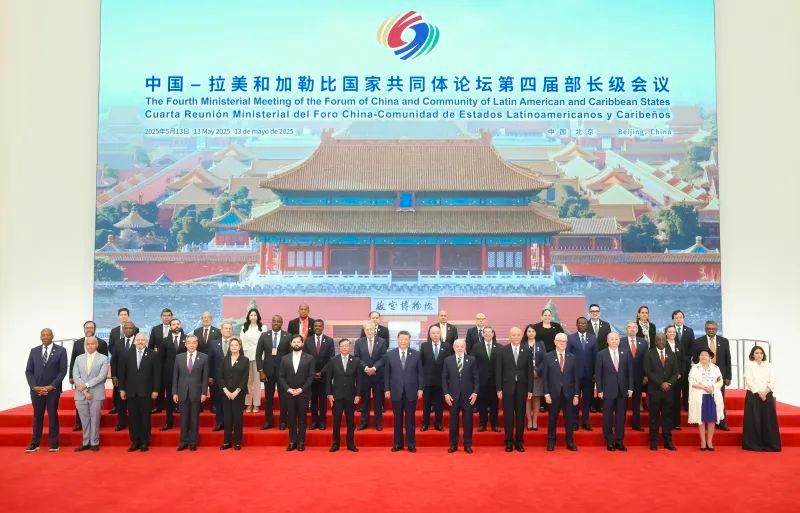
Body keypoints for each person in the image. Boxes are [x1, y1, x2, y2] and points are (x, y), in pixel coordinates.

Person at [24, 328, 68, 452]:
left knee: (52, 415)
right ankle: (35, 443)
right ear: (40, 337)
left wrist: (51, 386)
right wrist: (34, 386)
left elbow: (63, 371)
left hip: (52, 390)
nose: (45, 337)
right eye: (43, 335)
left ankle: (54, 443)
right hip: (36, 390)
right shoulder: (34, 351)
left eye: (48, 334)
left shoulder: (61, 350)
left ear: (52, 336)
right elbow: (28, 371)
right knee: (37, 416)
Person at [118, 333, 161, 452]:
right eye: (138, 340)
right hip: (131, 392)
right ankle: (134, 441)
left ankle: (144, 442)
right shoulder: (127, 354)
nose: (140, 342)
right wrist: (122, 389)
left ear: (146, 341)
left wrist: (156, 390)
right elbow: (122, 374)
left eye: (143, 340)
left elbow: (157, 374)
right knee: (133, 418)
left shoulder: (153, 354)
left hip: (146, 392)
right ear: (134, 341)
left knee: (145, 418)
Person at [384, 331, 423, 452]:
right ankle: (397, 443)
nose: (403, 341)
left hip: (411, 391)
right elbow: (387, 374)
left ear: (409, 340)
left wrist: (420, 388)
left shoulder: (416, 354)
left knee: (410, 419)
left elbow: (420, 373)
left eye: (406, 339)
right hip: (395, 391)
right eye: (401, 339)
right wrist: (387, 389)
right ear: (397, 339)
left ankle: (411, 444)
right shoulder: (390, 355)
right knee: (397, 419)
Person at [496, 327, 534, 452]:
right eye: (514, 335)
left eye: (518, 335)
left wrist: (530, 389)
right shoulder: (503, 350)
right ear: (509, 336)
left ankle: (519, 442)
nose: (516, 337)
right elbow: (498, 371)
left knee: (520, 416)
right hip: (507, 388)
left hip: (522, 388)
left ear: (521, 336)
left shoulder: (527, 350)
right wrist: (499, 389)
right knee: (508, 416)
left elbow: (530, 371)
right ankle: (508, 442)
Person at [594, 332, 633, 451]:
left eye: (616, 339)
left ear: (619, 341)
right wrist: (599, 390)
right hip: (607, 390)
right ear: (607, 341)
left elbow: (630, 372)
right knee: (607, 417)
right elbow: (598, 374)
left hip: (622, 391)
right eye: (612, 339)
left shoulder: (626, 353)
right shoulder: (601, 354)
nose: (614, 341)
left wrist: (630, 388)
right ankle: (609, 440)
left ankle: (619, 441)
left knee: (621, 417)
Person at [691, 320, 732, 430]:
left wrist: (729, 376)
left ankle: (721, 422)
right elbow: (695, 359)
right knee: (704, 400)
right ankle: (704, 422)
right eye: (709, 328)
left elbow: (728, 359)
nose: (711, 330)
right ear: (705, 329)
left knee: (719, 399)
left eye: (713, 329)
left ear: (717, 329)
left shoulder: (724, 341)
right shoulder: (698, 341)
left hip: (719, 376)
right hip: (703, 376)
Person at [542, 333, 579, 452]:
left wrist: (576, 395)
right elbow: (545, 377)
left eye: (564, 341)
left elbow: (576, 378)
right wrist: (546, 394)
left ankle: (570, 442)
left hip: (569, 394)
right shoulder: (547, 357)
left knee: (569, 420)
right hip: (553, 394)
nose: (562, 343)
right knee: (552, 419)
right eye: (560, 341)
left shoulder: (572, 357)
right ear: (555, 342)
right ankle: (551, 441)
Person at [69, 321, 108, 431]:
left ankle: (93, 429)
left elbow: (104, 360)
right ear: (84, 329)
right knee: (81, 401)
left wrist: (103, 378)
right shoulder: (78, 343)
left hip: (96, 381)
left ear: (95, 329)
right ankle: (79, 423)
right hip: (81, 380)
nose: (89, 329)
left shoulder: (102, 343)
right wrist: (71, 376)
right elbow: (73, 359)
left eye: (91, 327)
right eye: (87, 327)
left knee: (94, 408)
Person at [72, 336, 109, 451]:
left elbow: (101, 377)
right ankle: (85, 442)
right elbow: (76, 376)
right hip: (81, 394)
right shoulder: (78, 358)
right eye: (88, 344)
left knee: (95, 419)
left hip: (96, 394)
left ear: (97, 345)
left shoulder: (104, 358)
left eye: (92, 344)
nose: (90, 346)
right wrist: (85, 391)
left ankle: (94, 442)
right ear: (85, 345)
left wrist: (86, 385)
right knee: (84, 420)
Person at [278, 335, 315, 451]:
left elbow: (311, 376)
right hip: (289, 393)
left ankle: (301, 441)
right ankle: (292, 441)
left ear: (302, 344)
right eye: (294, 342)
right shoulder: (285, 358)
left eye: (298, 342)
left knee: (302, 418)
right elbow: (281, 376)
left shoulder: (309, 358)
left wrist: (301, 389)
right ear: (291, 344)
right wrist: (288, 389)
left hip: (303, 393)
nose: (296, 344)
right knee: (291, 418)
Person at [172, 335, 209, 451]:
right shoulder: (179, 357)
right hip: (182, 392)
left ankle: (193, 442)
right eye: (189, 342)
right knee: (183, 419)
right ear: (185, 344)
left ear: (197, 344)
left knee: (194, 419)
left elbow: (205, 377)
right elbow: (175, 376)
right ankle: (183, 441)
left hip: (196, 393)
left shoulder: (204, 357)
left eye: (194, 342)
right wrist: (174, 392)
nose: (191, 345)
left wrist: (204, 392)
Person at [644, 333, 679, 451]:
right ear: (655, 341)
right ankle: (653, 442)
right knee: (653, 418)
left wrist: (668, 383)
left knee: (667, 417)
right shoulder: (649, 354)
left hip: (668, 391)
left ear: (666, 341)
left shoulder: (672, 354)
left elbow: (676, 373)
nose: (661, 342)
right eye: (658, 340)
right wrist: (661, 383)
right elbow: (648, 372)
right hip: (655, 391)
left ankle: (668, 442)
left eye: (663, 340)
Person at [442, 339, 479, 453]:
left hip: (468, 397)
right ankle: (453, 444)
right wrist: (446, 394)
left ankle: (467, 444)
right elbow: (444, 378)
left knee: (468, 422)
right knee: (453, 422)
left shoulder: (471, 359)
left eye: (462, 346)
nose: (459, 348)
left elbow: (476, 378)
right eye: (457, 346)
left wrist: (475, 393)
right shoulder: (448, 360)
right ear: (453, 348)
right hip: (452, 397)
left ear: (465, 347)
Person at [742, 346, 781, 452]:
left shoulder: (768, 366)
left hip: (767, 395)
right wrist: (759, 392)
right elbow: (749, 381)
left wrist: (765, 392)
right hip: (753, 395)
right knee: (754, 420)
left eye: (761, 353)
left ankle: (770, 444)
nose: (759, 355)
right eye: (757, 353)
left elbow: (772, 380)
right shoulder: (749, 365)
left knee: (768, 420)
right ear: (752, 355)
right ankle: (754, 444)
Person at [326, 338, 361, 452]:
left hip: (351, 396)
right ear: (339, 347)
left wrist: (358, 395)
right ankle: (335, 444)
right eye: (342, 346)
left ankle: (350, 444)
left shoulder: (355, 361)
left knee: (351, 422)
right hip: (337, 396)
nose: (345, 347)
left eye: (346, 345)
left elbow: (359, 380)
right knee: (336, 421)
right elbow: (328, 379)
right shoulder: (333, 360)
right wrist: (329, 394)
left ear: (350, 347)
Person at [256, 315, 291, 430]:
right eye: (274, 321)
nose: (276, 323)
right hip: (267, 372)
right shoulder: (264, 335)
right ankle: (269, 421)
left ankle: (283, 422)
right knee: (268, 398)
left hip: (283, 373)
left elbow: (290, 356)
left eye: (278, 321)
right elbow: (258, 354)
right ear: (271, 322)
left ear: (282, 323)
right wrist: (260, 371)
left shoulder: (288, 336)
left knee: (284, 398)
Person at [687, 348, 725, 451]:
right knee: (701, 420)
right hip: (700, 396)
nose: (703, 356)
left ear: (710, 357)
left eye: (706, 355)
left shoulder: (715, 368)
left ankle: (709, 441)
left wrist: (712, 387)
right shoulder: (695, 368)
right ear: (699, 357)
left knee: (712, 420)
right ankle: (703, 441)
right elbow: (691, 380)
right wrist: (703, 387)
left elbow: (720, 381)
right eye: (701, 355)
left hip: (712, 396)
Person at [353, 321, 388, 431]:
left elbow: (383, 357)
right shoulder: (359, 342)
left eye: (371, 329)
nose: (369, 331)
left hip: (378, 375)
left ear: (374, 330)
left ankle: (378, 423)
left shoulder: (382, 341)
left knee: (378, 401)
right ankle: (364, 422)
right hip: (364, 375)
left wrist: (374, 368)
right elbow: (357, 357)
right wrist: (365, 368)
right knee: (365, 401)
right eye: (366, 329)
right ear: (364, 331)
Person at [566, 317, 597, 430]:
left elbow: (596, 357)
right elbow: (568, 357)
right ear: (577, 325)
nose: (582, 325)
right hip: (575, 375)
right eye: (580, 323)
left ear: (587, 325)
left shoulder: (593, 338)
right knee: (575, 397)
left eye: (584, 323)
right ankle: (574, 422)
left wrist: (595, 373)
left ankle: (586, 421)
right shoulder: (571, 338)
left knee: (587, 399)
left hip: (589, 375)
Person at [420, 325, 452, 431]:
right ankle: (425, 423)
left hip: (441, 381)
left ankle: (438, 423)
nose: (435, 335)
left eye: (437, 333)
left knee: (439, 405)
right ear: (430, 334)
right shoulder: (424, 346)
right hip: (427, 381)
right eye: (433, 333)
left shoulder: (447, 346)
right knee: (426, 404)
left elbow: (449, 364)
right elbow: (421, 363)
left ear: (440, 334)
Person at [220, 337, 249, 450]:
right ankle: (227, 442)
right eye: (232, 345)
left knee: (237, 418)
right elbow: (220, 376)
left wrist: (236, 391)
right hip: (226, 393)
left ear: (240, 347)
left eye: (236, 345)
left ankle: (237, 442)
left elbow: (244, 378)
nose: (234, 347)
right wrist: (226, 390)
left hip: (239, 394)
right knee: (227, 418)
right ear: (229, 347)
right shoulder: (224, 359)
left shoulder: (245, 360)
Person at [470, 325, 500, 432]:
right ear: (483, 334)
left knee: (494, 404)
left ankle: (494, 424)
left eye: (489, 332)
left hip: (495, 381)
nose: (487, 334)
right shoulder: (476, 347)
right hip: (481, 381)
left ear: (493, 334)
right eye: (485, 332)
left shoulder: (499, 347)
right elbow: (473, 363)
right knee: (481, 403)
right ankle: (482, 424)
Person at [306, 319, 334, 430]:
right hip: (311, 376)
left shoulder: (329, 340)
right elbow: (306, 358)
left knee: (322, 400)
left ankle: (322, 421)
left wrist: (321, 372)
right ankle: (314, 421)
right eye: (315, 326)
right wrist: (313, 372)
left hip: (324, 375)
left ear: (323, 327)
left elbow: (331, 359)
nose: (317, 327)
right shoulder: (308, 340)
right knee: (313, 399)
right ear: (313, 327)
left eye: (319, 326)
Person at [108, 307, 137, 415]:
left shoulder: (136, 329)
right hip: (119, 362)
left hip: (133, 366)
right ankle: (116, 406)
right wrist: (119, 354)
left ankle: (130, 407)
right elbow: (111, 346)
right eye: (121, 314)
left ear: (128, 316)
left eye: (125, 314)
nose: (123, 316)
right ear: (118, 316)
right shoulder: (114, 330)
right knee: (117, 387)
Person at [110, 321, 138, 431]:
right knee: (121, 403)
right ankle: (121, 423)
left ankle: (134, 423)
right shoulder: (118, 343)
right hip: (121, 378)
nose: (128, 330)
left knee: (133, 403)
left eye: (131, 328)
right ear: (123, 330)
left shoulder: (139, 342)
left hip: (135, 378)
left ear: (134, 330)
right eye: (126, 328)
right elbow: (114, 361)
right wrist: (114, 376)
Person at [159, 317, 185, 429]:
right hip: (169, 374)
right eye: (173, 324)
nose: (176, 326)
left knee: (184, 398)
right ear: (170, 327)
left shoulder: (187, 339)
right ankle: (168, 423)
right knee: (169, 398)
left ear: (181, 325)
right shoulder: (165, 340)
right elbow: (161, 358)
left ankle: (185, 424)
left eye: (178, 324)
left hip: (184, 373)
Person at [623, 321, 648, 431]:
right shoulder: (621, 341)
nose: (632, 329)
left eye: (634, 327)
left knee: (637, 402)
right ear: (626, 330)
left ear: (637, 330)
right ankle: (621, 424)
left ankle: (636, 424)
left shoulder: (643, 342)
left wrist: (646, 375)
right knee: (622, 403)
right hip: (624, 378)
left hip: (639, 377)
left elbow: (646, 360)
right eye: (629, 327)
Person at [148, 308, 173, 413]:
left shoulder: (176, 328)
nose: (166, 317)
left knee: (172, 384)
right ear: (161, 317)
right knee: (159, 383)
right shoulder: (155, 329)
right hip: (158, 361)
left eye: (168, 315)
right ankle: (158, 406)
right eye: (164, 315)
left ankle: (173, 406)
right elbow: (150, 346)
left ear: (171, 317)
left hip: (172, 362)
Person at [521, 324, 546, 430]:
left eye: (533, 331)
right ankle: (529, 421)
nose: (531, 333)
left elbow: (544, 359)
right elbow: (519, 360)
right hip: (525, 376)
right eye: (529, 331)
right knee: (527, 398)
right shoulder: (522, 344)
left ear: (536, 333)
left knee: (536, 397)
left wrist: (537, 371)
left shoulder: (541, 344)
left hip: (537, 375)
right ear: (526, 333)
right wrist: (528, 372)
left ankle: (535, 420)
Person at [587, 304, 611, 412]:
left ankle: (601, 404)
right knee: (590, 383)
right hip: (589, 359)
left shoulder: (606, 325)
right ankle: (592, 404)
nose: (594, 313)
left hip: (604, 358)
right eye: (592, 311)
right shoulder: (585, 325)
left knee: (603, 381)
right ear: (589, 313)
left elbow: (609, 341)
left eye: (596, 311)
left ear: (599, 312)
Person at [208, 321, 231, 431]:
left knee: (230, 402)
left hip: (232, 378)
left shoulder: (236, 343)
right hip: (217, 378)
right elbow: (210, 361)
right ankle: (219, 423)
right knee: (219, 400)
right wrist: (210, 376)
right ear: (221, 331)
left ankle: (229, 424)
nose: (228, 330)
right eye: (225, 328)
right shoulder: (213, 343)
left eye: (229, 328)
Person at [670, 309, 695, 412]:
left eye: (680, 317)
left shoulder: (689, 331)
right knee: (674, 386)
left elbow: (692, 347)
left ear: (683, 318)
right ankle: (675, 406)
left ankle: (686, 404)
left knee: (686, 386)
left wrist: (685, 359)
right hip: (672, 364)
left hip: (686, 364)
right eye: (676, 318)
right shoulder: (670, 330)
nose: (678, 319)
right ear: (673, 319)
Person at [240, 308, 263, 413]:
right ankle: (248, 403)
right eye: (251, 315)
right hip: (247, 356)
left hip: (259, 357)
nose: (253, 317)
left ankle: (256, 404)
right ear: (248, 317)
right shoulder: (244, 328)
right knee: (248, 381)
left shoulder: (263, 327)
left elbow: (264, 342)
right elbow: (242, 342)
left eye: (255, 315)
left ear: (258, 317)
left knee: (257, 382)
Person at [664, 326, 685, 430]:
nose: (672, 333)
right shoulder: (663, 345)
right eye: (669, 332)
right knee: (668, 401)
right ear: (666, 333)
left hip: (678, 378)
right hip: (666, 379)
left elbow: (683, 361)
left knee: (676, 401)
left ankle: (676, 423)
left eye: (673, 332)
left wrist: (680, 373)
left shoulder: (679, 345)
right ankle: (667, 423)